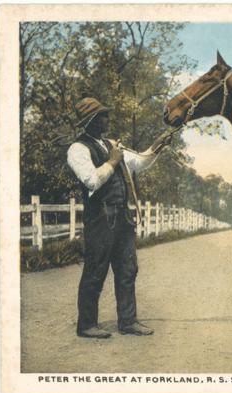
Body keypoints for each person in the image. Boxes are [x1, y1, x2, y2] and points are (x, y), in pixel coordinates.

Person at [67, 97, 172, 339]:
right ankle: (86, 325)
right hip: (100, 218)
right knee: (96, 269)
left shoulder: (111, 143)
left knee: (127, 269)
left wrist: (158, 146)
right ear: (92, 121)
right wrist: (113, 161)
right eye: (103, 115)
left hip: (122, 217)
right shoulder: (78, 149)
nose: (108, 118)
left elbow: (140, 163)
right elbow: (92, 180)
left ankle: (128, 321)